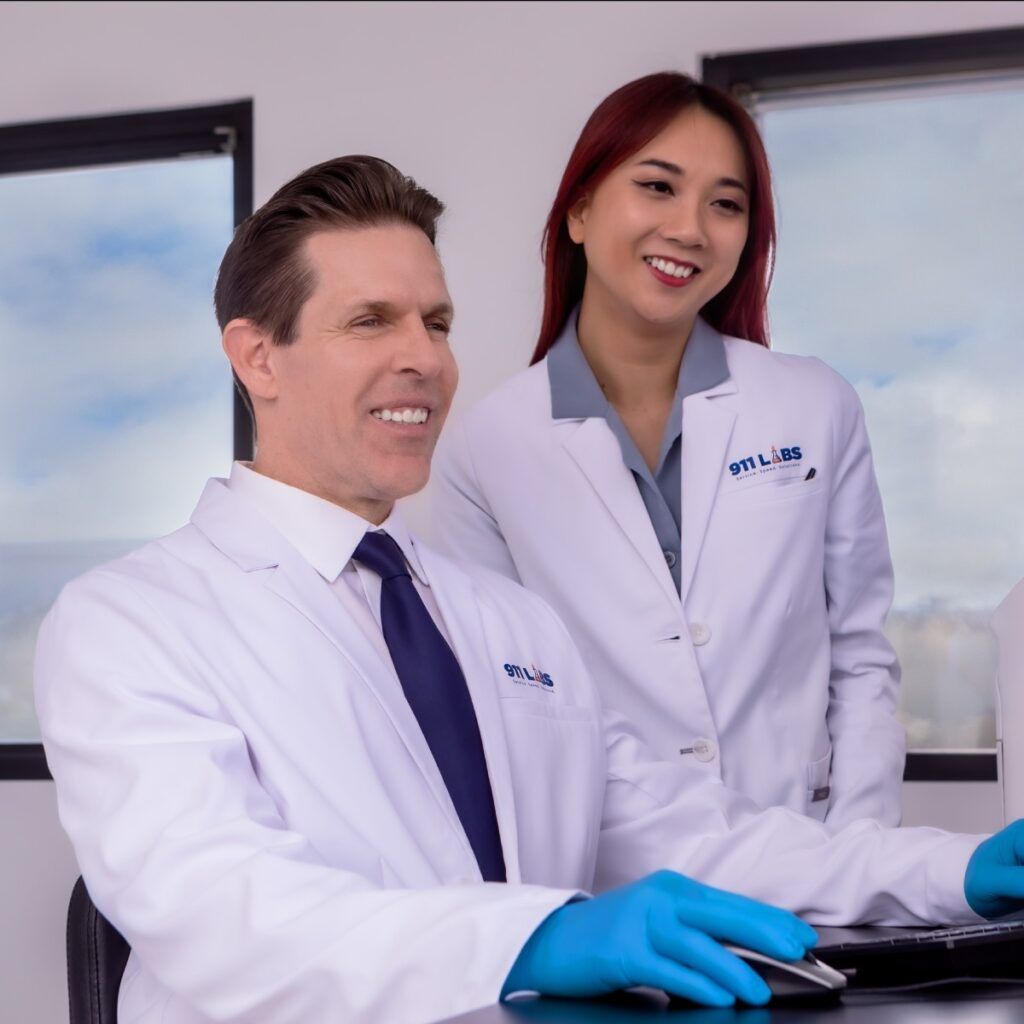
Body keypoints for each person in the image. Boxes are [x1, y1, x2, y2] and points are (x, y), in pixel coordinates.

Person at [34, 155, 1024, 1024]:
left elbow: (697, 837)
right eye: (370, 320)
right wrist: (536, 934)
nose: (422, 357)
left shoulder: (506, 622)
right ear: (257, 357)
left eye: (437, 320)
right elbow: (223, 911)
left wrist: (956, 873)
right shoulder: (131, 623)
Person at [430, 71, 905, 828]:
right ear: (579, 210)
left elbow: (862, 659)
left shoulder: (815, 405)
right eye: (657, 186)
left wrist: (862, 855)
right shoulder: (487, 445)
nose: (690, 228)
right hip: (615, 877)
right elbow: (509, 695)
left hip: (813, 860)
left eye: (725, 203)